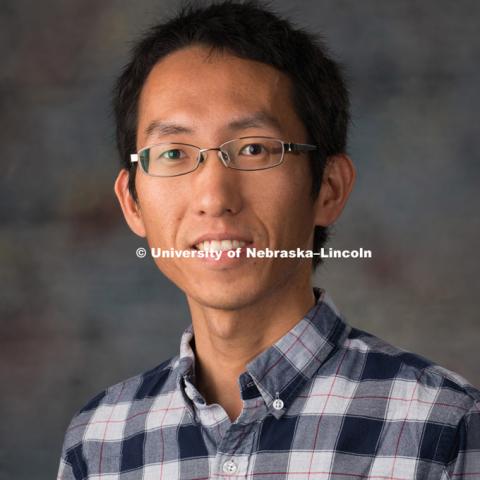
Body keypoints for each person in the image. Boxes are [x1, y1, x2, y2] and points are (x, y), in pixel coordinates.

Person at [57, 2, 480, 479]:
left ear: (329, 188)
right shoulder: (100, 441)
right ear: (131, 201)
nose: (213, 197)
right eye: (174, 152)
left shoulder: (443, 427)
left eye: (254, 149)